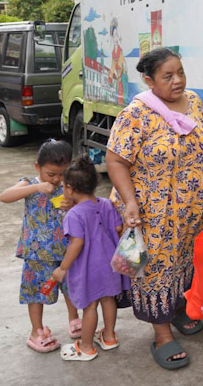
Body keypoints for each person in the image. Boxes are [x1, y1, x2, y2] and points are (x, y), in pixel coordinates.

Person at [106, 47, 203, 370]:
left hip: (198, 212)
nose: (178, 81)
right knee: (155, 271)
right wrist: (130, 201)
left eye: (181, 72)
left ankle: (182, 308)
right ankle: (161, 335)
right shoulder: (136, 115)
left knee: (192, 263)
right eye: (168, 76)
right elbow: (115, 160)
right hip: (156, 215)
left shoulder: (195, 103)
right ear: (148, 80)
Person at [0, 139, 79, 353]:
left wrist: (72, 203)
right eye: (50, 174)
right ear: (38, 167)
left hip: (66, 252)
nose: (56, 179)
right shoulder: (29, 183)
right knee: (35, 293)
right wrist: (35, 186)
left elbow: (86, 206)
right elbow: (4, 196)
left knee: (70, 288)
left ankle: (74, 320)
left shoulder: (69, 188)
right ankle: (37, 331)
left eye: (62, 174)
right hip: (36, 253)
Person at [53, 155, 129, 362]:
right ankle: (110, 336)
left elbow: (76, 243)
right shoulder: (106, 204)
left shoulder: (74, 215)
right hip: (111, 264)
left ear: (69, 189)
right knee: (108, 299)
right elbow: (118, 228)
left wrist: (62, 268)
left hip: (90, 268)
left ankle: (86, 347)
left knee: (89, 307)